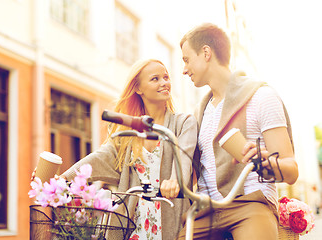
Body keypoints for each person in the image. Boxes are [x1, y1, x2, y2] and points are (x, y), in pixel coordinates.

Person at [177, 23, 299, 240]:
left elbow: (291, 171)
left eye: (186, 60)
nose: (184, 69)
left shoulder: (261, 96)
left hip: (250, 204)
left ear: (206, 53)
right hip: (207, 211)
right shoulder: (198, 113)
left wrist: (267, 162)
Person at [61, 59, 197, 240]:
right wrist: (62, 178)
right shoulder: (129, 133)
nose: (164, 83)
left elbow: (184, 157)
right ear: (139, 89)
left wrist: (175, 180)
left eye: (166, 77)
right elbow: (98, 158)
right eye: (155, 79)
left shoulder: (184, 123)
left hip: (172, 221)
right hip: (135, 225)